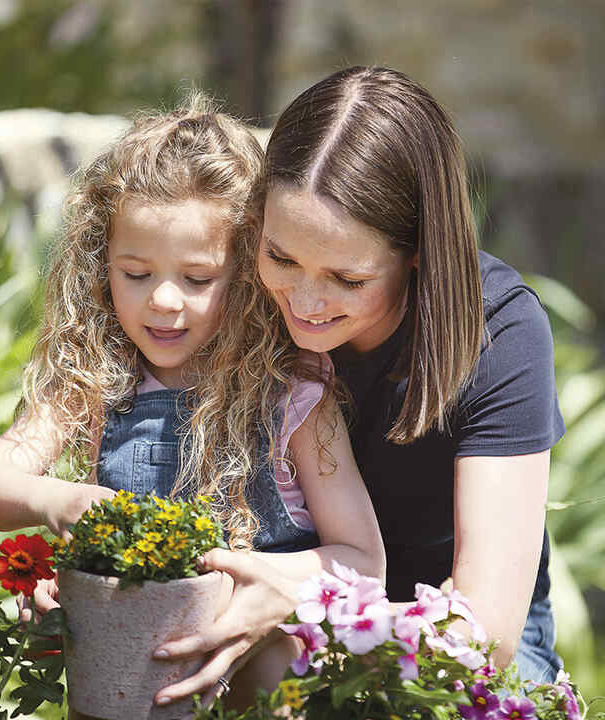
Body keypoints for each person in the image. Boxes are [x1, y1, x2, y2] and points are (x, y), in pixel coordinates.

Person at [0, 95, 386, 714]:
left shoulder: (291, 393)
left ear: (247, 274)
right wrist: (64, 505)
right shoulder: (94, 378)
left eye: (197, 278)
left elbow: (362, 560)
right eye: (135, 272)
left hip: (257, 659)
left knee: (270, 670)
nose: (163, 300)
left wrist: (261, 583)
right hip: (133, 665)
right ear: (100, 265)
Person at [153, 65, 563, 701]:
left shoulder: (501, 333)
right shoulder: (239, 294)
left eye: (347, 279)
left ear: (419, 249)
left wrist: (301, 603)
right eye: (281, 257)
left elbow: (487, 632)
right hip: (264, 614)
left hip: (434, 635)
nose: (305, 302)